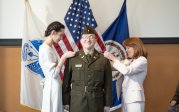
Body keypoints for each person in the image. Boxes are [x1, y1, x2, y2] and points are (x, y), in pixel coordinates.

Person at [62, 25, 112, 112]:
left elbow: (108, 84)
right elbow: (66, 82)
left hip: (97, 102)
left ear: (96, 40)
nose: (88, 40)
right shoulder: (72, 58)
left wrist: (107, 104)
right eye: (85, 37)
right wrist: (66, 101)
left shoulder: (103, 59)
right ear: (81, 41)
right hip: (77, 102)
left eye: (91, 37)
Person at [39, 21, 75, 112]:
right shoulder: (45, 49)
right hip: (52, 85)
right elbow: (53, 73)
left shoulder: (50, 47)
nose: (61, 38)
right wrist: (64, 57)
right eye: (60, 35)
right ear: (53, 32)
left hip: (55, 84)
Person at [104, 37, 148, 112]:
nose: (126, 50)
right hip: (126, 98)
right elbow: (113, 66)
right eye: (126, 48)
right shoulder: (129, 61)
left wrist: (113, 58)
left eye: (128, 48)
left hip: (135, 99)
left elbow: (127, 71)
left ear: (136, 47)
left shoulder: (142, 60)